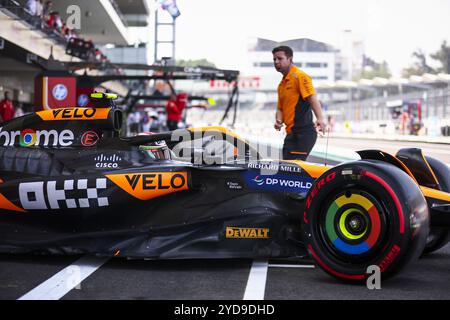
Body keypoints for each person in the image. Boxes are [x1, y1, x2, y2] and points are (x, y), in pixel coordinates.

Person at [272, 46, 326, 160]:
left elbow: (312, 98)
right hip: (290, 134)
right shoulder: (281, 85)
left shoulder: (300, 76)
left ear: (290, 59)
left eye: (280, 58)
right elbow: (280, 108)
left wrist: (320, 118)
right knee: (287, 170)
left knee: (294, 170)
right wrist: (279, 120)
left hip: (304, 133)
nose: (276, 62)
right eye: (274, 59)